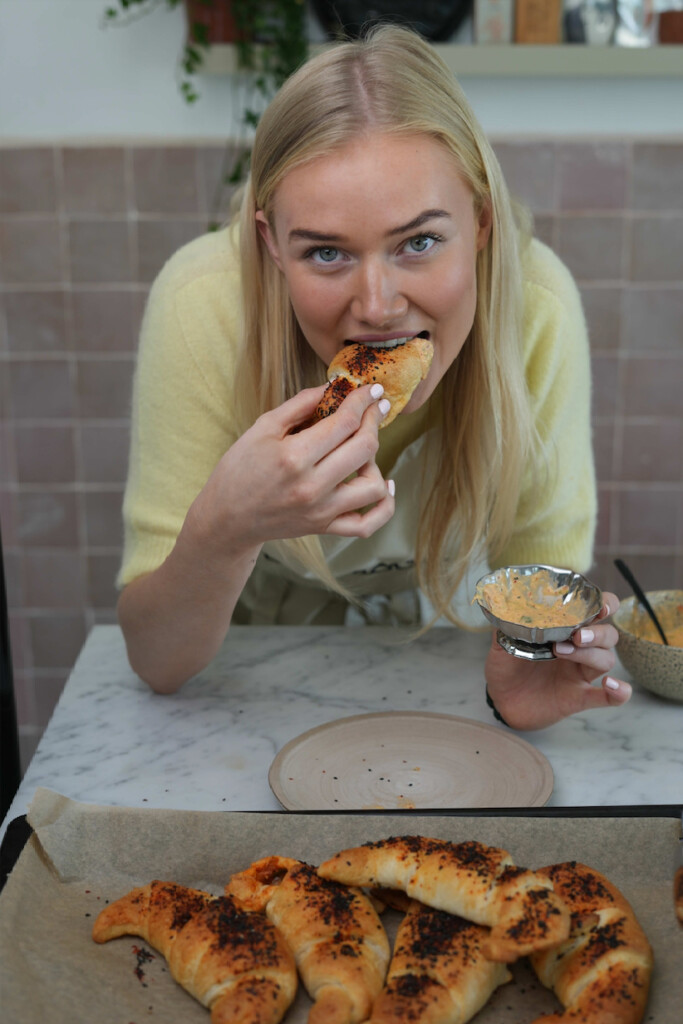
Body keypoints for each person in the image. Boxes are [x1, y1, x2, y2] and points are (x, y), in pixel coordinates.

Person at [116, 24, 631, 729]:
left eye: (419, 242)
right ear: (271, 244)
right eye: (326, 254)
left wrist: (530, 669)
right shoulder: (200, 304)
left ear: (481, 222)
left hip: (448, 656)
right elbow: (157, 662)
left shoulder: (537, 309)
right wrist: (225, 528)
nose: (378, 306)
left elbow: (541, 585)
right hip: (242, 674)